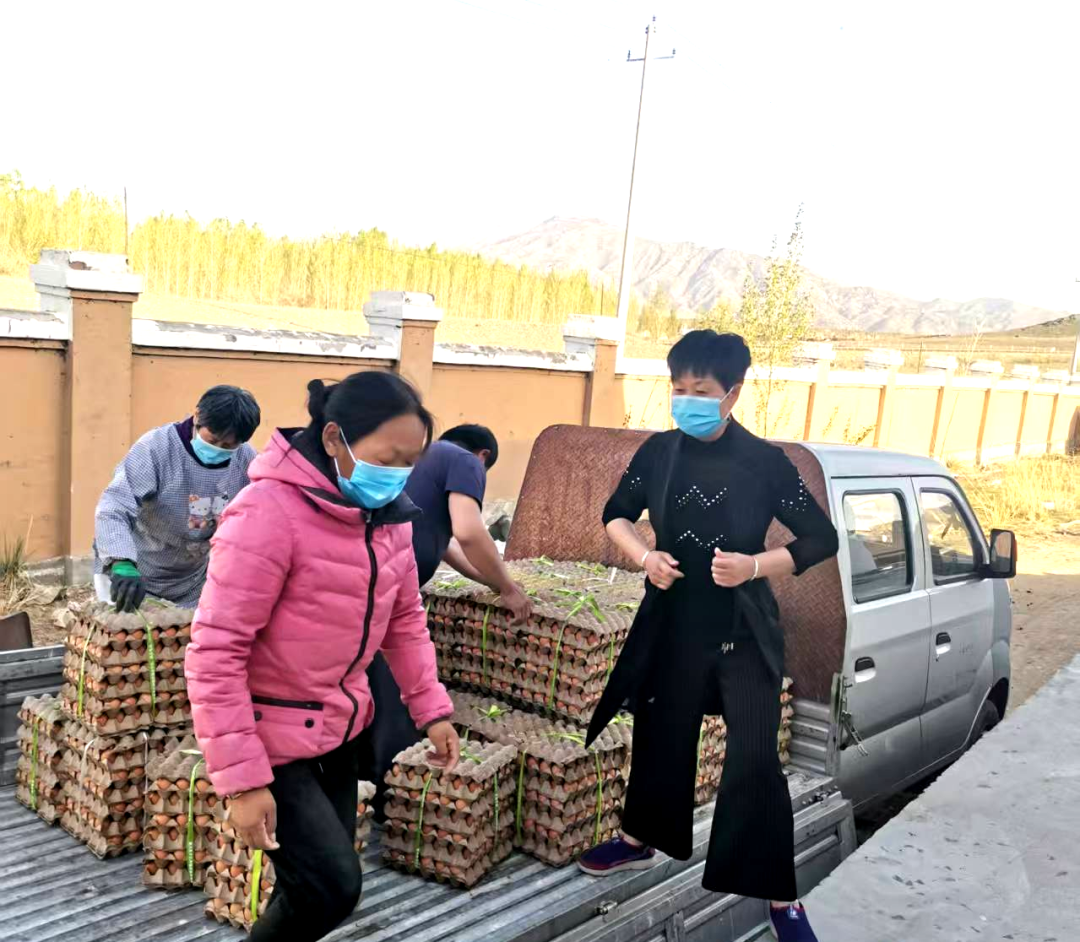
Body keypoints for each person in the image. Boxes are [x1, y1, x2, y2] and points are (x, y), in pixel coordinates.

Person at [578, 331, 839, 942]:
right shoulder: (658, 452)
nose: (686, 400)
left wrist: (754, 566)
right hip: (674, 620)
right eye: (678, 388)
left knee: (755, 755)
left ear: (733, 394)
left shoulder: (765, 463)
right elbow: (615, 515)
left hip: (742, 628)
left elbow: (820, 539)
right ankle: (638, 839)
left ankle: (780, 898)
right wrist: (645, 557)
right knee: (660, 731)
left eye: (701, 390)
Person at [186, 371, 460, 942]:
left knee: (306, 888)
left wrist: (430, 708)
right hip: (270, 739)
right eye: (387, 458)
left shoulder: (388, 521)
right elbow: (216, 651)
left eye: (410, 463)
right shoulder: (267, 513)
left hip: (338, 731)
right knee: (333, 887)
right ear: (335, 439)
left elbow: (405, 622)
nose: (398, 475)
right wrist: (242, 782)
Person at [357, 423, 532, 818]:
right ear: (483, 456)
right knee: (392, 697)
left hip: (368, 585)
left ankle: (365, 785)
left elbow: (447, 543)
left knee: (365, 688)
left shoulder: (423, 458)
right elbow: (469, 531)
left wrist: (493, 581)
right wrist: (509, 589)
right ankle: (389, 795)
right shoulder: (465, 460)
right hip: (385, 595)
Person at [93, 385, 261, 611]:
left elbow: (259, 516)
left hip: (192, 579)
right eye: (213, 440)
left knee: (187, 631)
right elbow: (115, 505)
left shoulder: (245, 459)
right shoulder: (156, 448)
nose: (218, 449)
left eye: (228, 446)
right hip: (133, 573)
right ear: (197, 415)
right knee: (126, 630)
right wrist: (122, 562)